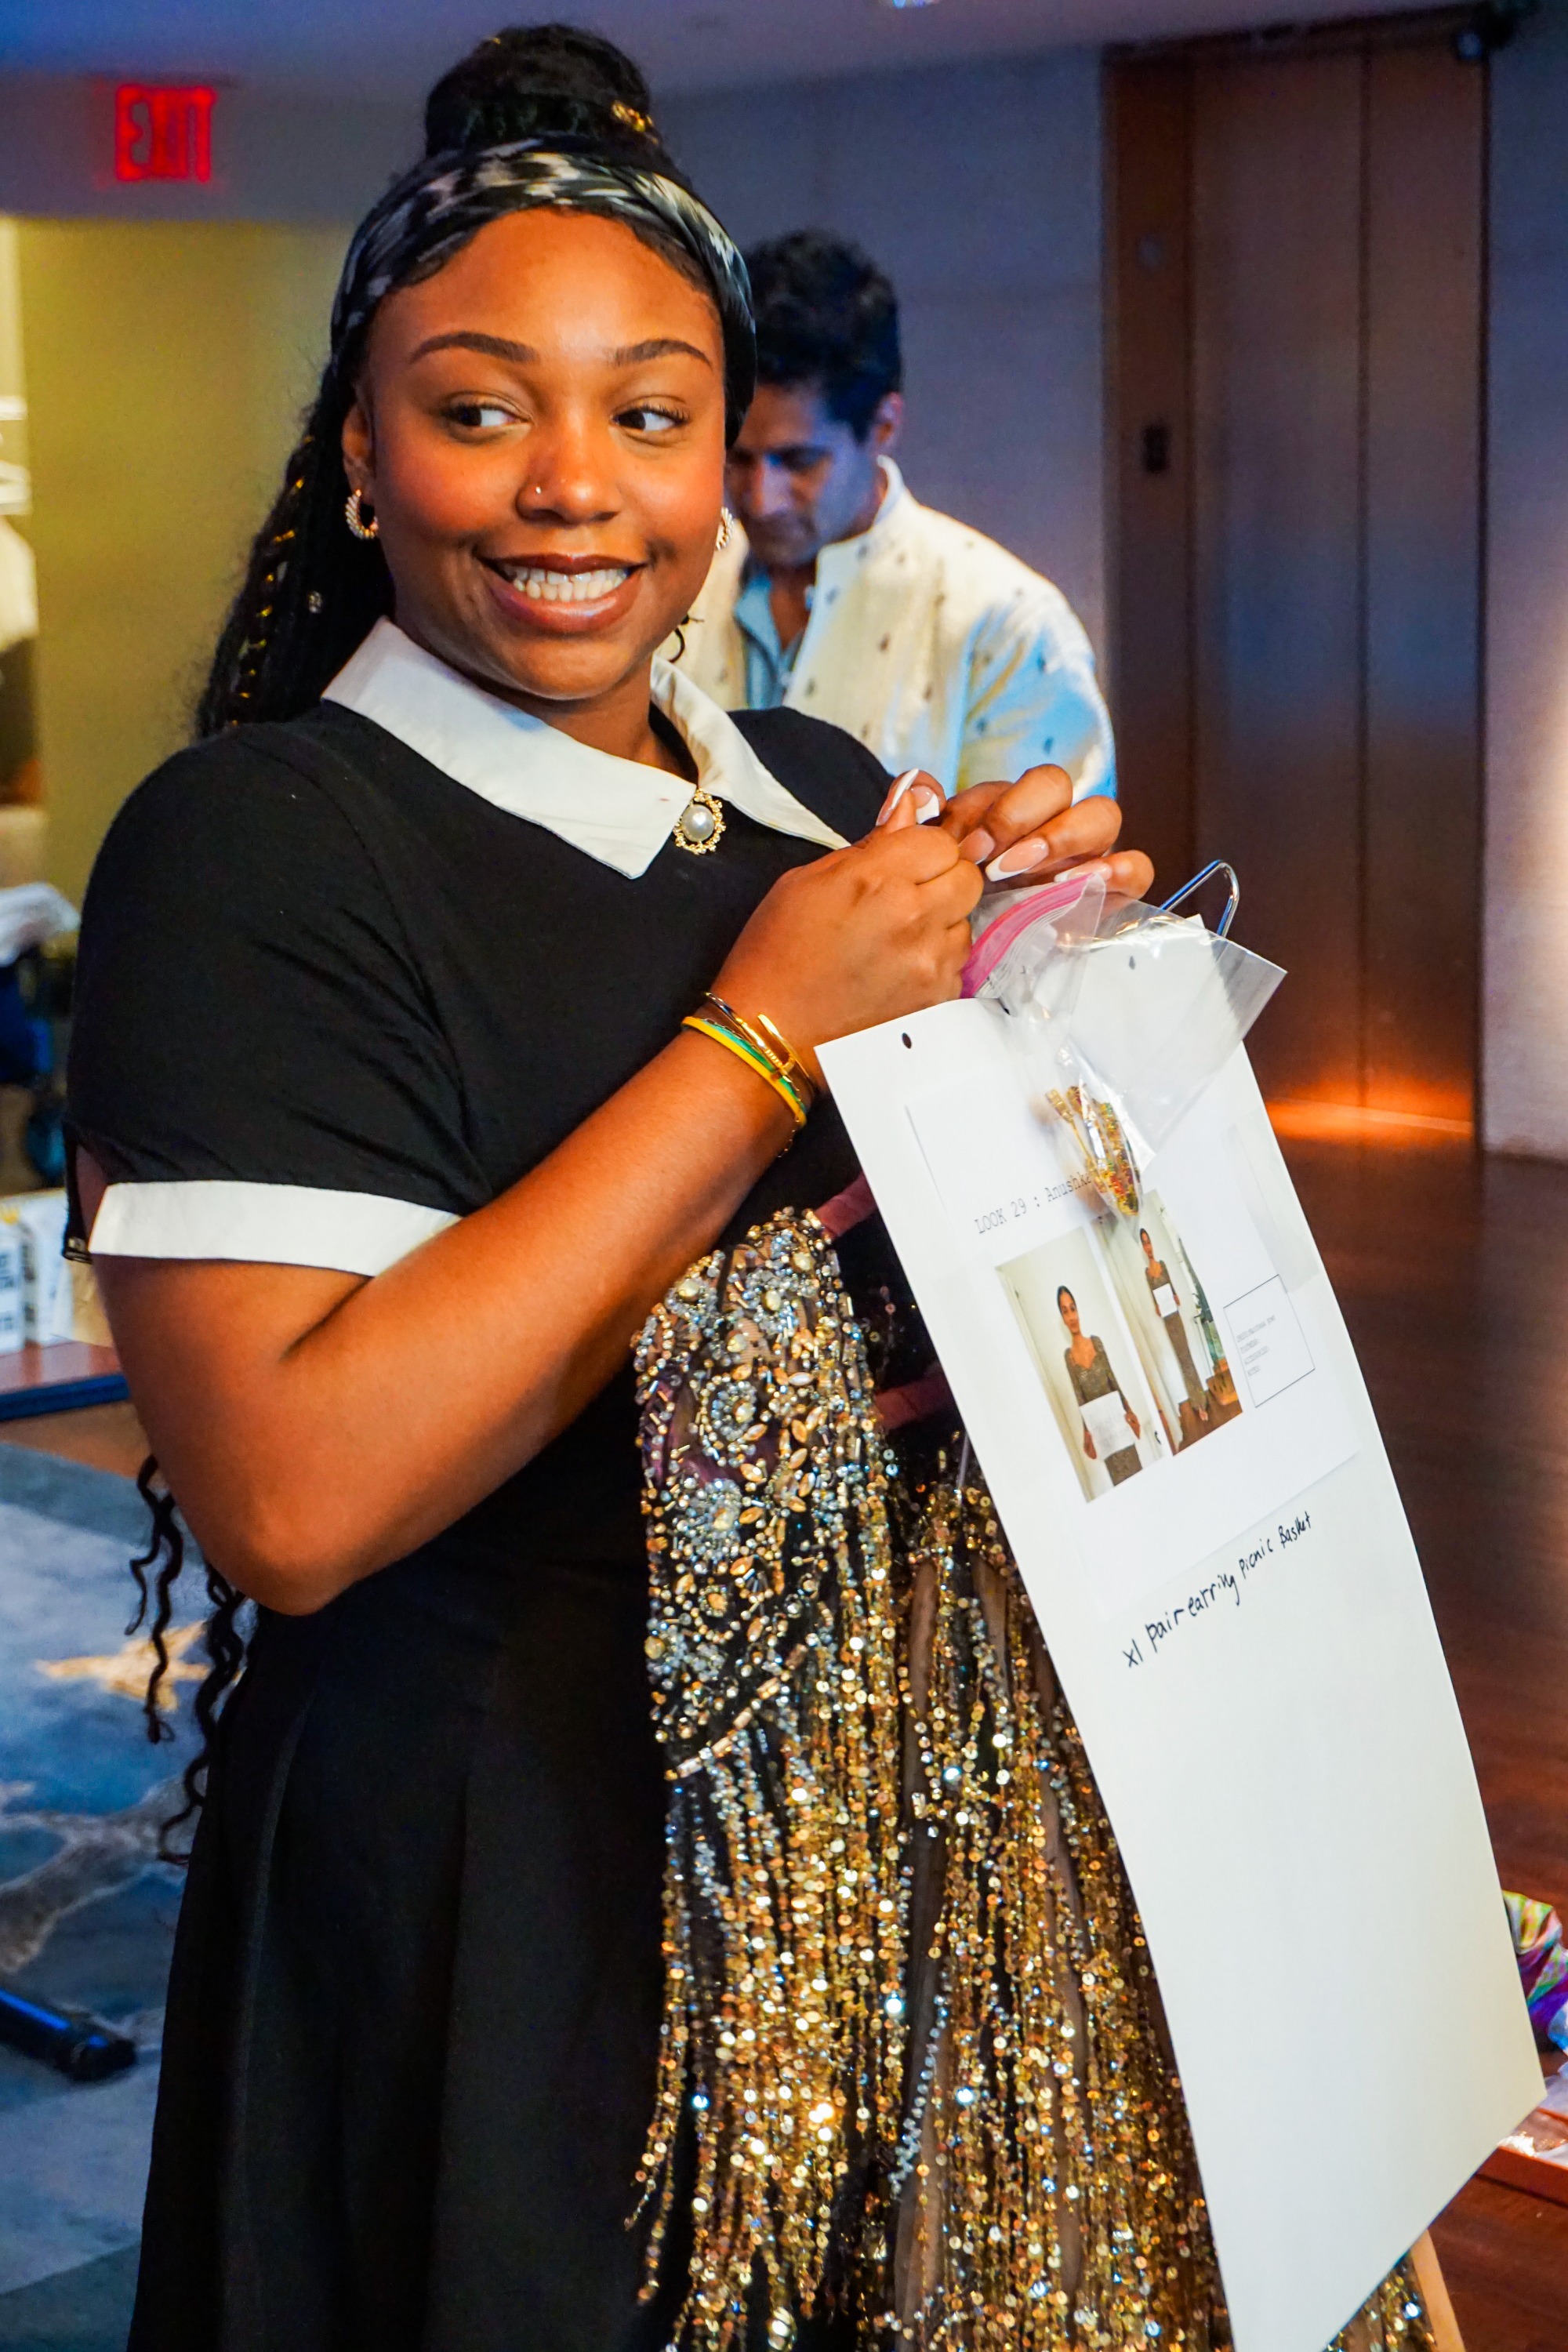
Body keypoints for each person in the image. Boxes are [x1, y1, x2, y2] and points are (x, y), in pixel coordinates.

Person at [64, 27, 1428, 2352]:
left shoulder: (810, 785)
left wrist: (1057, 996)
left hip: (861, 1811)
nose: (571, 485)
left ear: (734, 459)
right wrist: (760, 1028)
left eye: (654, 409)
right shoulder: (258, 843)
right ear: (364, 460)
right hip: (505, 1858)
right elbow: (286, 1495)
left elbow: (952, 1289)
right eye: (480, 406)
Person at [670, 229, 1115, 818]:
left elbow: (1044, 899)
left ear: (883, 426)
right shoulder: (679, 580)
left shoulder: (1005, 627)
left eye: (798, 461)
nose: (761, 497)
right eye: (738, 456)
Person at [1058, 1282, 1142, 1486]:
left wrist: (1130, 1411)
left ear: (1078, 1309)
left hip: (1119, 1423)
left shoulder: (1096, 1342)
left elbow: (1113, 1380)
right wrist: (1086, 1435)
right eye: (1065, 1311)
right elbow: (1080, 1399)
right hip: (1103, 1435)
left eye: (1073, 1308)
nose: (1071, 1316)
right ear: (1062, 1318)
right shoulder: (1068, 1357)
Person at [1140, 1222, 1209, 1425]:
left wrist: (1176, 1298)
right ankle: (1196, 1404)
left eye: (1149, 1242)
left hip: (1176, 1318)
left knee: (1187, 1357)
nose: (1148, 1247)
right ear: (1143, 1248)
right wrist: (1158, 1308)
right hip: (1167, 1321)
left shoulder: (1163, 1265)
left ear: (1152, 1243)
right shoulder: (1147, 1273)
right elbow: (1155, 1299)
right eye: (1144, 1244)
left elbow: (1172, 1290)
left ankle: (1201, 1401)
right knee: (1181, 1360)